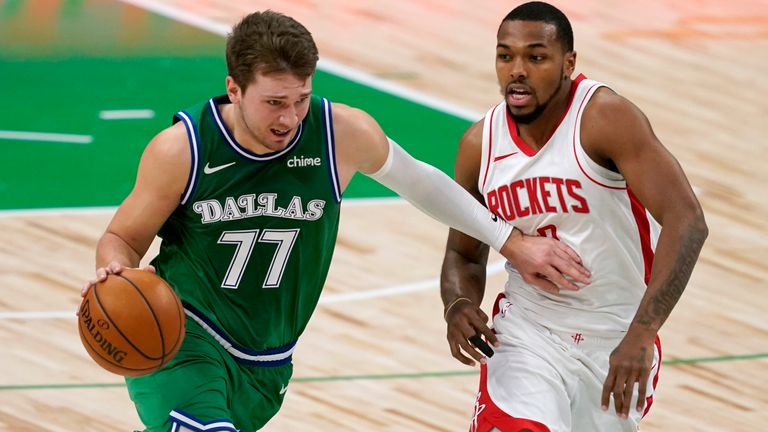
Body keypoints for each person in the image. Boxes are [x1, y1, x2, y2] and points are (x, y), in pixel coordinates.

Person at [80, 10, 591, 432]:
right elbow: (122, 237)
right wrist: (115, 270)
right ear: (234, 89)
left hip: (267, 363)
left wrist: (510, 241)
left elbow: (423, 184)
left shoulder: (336, 133)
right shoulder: (185, 148)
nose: (289, 118)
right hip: (182, 343)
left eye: (300, 98)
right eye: (274, 103)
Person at [440, 2, 708, 432]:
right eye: (505, 55)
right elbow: (463, 250)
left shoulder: (604, 118)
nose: (517, 70)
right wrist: (458, 304)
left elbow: (688, 221)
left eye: (536, 56)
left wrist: (641, 334)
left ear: (568, 63)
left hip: (616, 336)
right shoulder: (480, 144)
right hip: (528, 331)